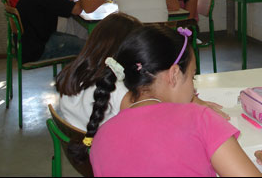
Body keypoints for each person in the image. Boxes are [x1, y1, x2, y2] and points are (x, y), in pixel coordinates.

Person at [69, 24, 262, 177]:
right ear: (173, 75)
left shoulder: (101, 137)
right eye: (192, 77)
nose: (193, 87)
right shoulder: (200, 118)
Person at [56, 13, 227, 130]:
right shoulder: (118, 91)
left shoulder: (75, 72)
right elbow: (154, 124)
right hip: (112, 158)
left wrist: (192, 100)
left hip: (83, 151)